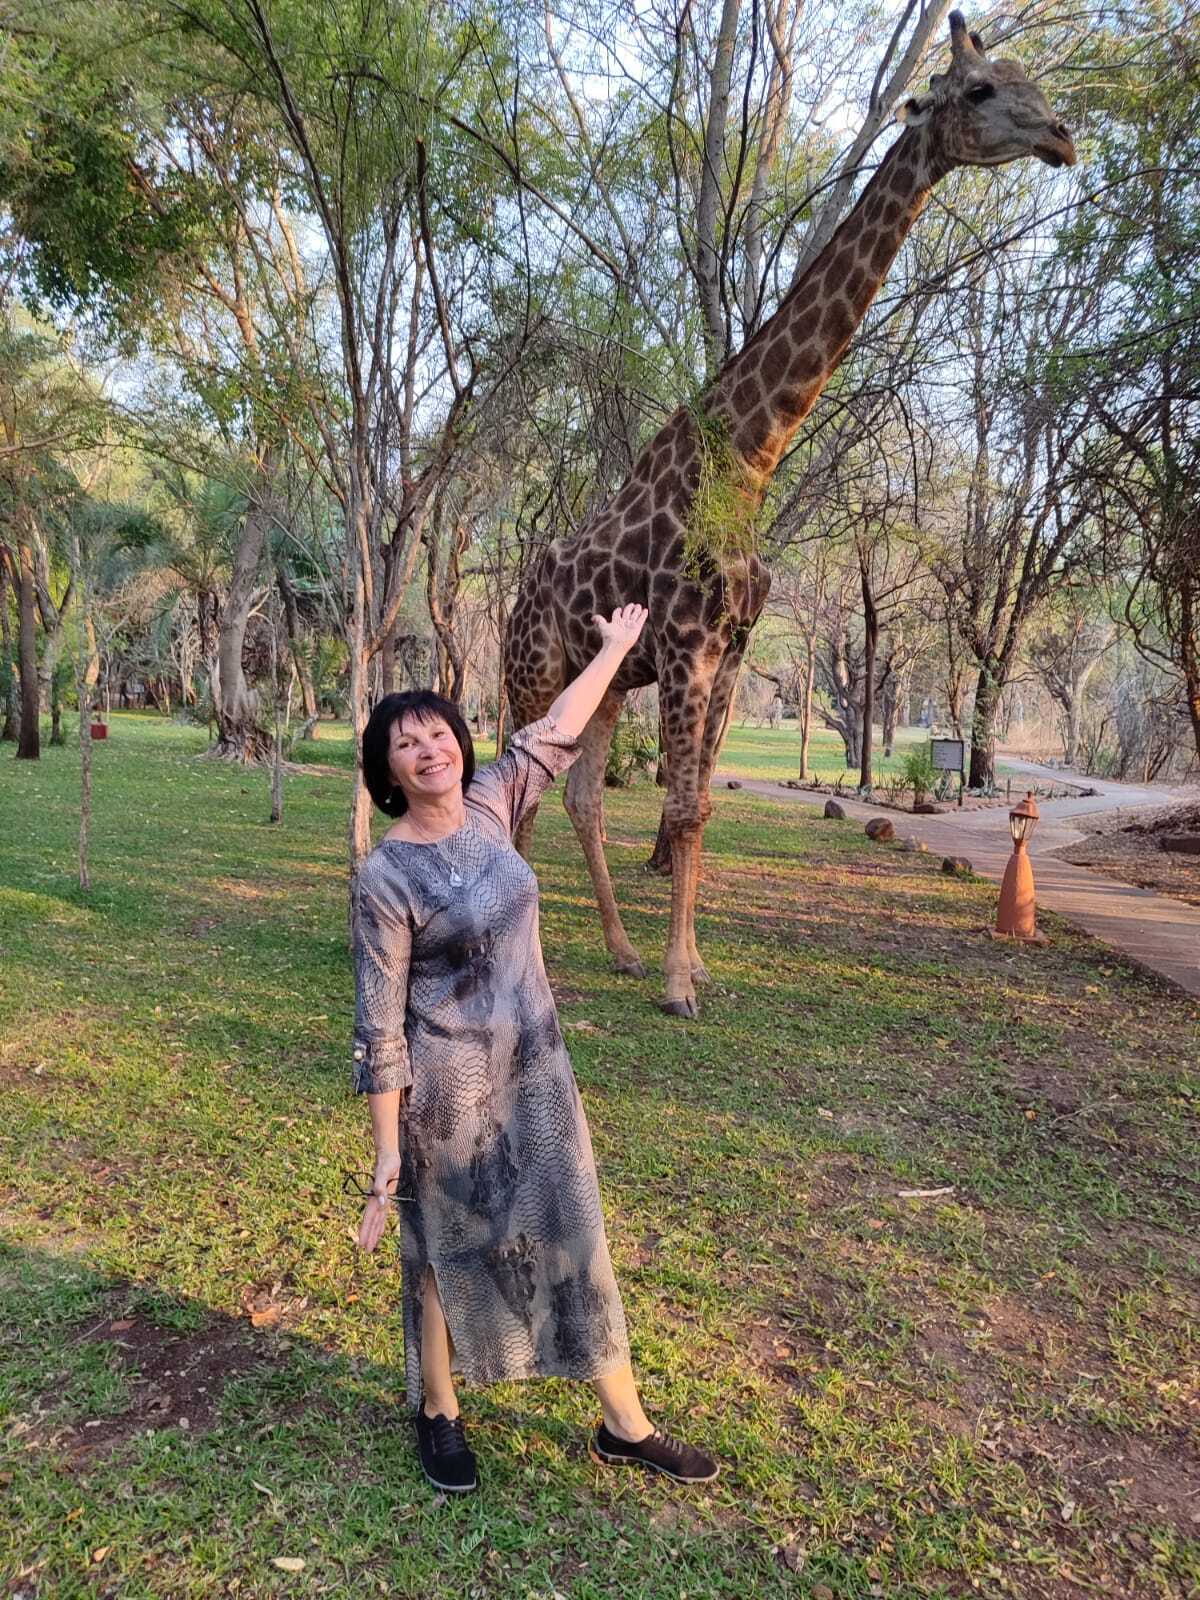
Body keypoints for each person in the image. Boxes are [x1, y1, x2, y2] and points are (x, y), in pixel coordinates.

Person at [350, 603, 719, 1495]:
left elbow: (556, 729)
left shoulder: (493, 803)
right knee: (449, 1249)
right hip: (449, 1095)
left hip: (538, 1077)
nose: (429, 749)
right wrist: (387, 1152)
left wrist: (617, 649)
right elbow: (379, 1024)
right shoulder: (385, 876)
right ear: (388, 773)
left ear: (459, 743)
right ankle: (440, 1411)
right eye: (406, 744)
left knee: (574, 1234)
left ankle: (625, 1425)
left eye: (437, 732)